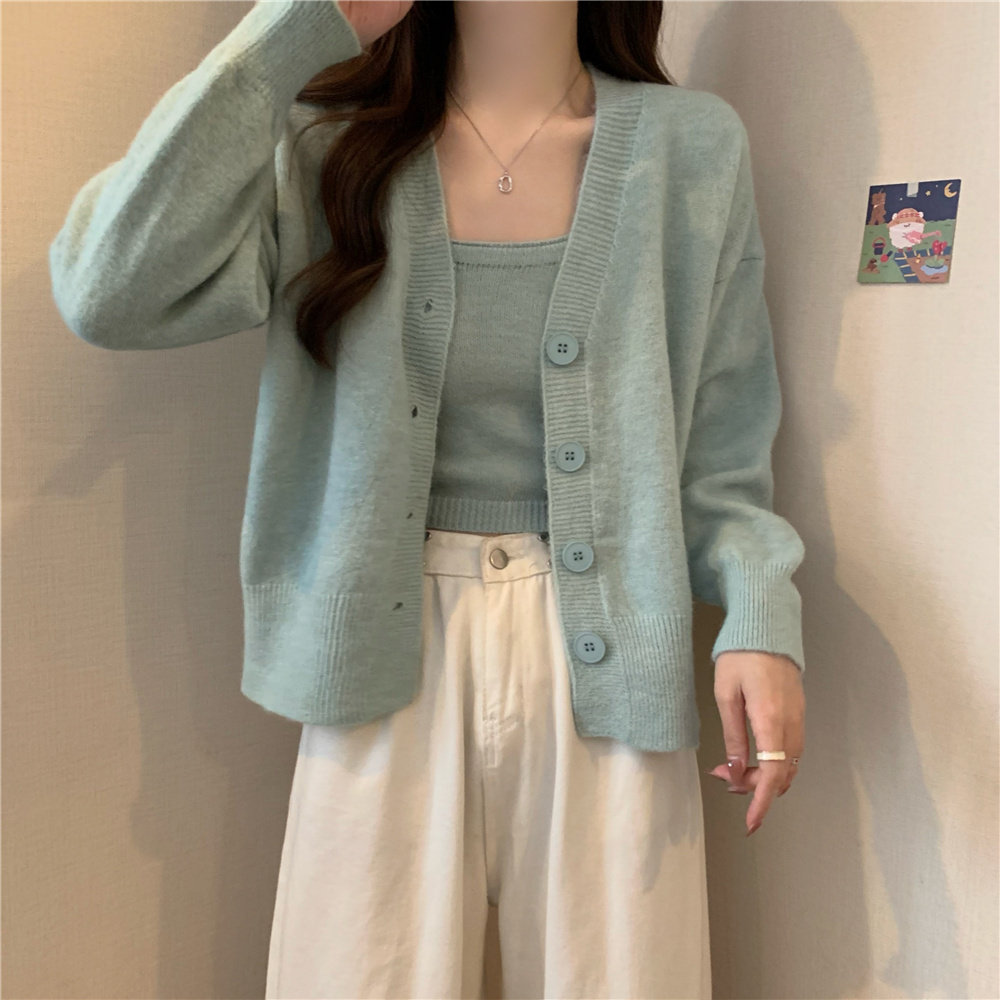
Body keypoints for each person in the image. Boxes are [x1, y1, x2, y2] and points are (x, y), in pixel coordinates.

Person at [48, 1, 808, 996]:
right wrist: (300, 26)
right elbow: (106, 288)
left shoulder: (692, 148)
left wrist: (758, 612)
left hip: (616, 643)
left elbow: (722, 441)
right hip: (375, 647)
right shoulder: (328, 146)